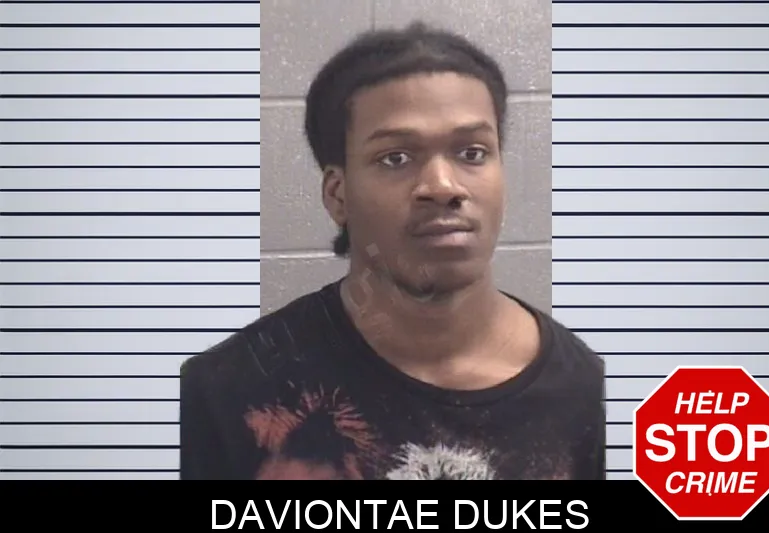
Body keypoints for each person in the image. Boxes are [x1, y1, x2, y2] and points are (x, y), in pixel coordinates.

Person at [180, 21, 605, 480]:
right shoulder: (228, 394)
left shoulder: (589, 393)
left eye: (472, 153)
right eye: (395, 158)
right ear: (338, 194)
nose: (443, 187)